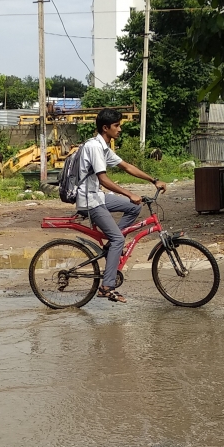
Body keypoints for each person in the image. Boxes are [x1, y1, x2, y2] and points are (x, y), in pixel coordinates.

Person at [75, 108, 167, 303]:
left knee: (133, 207)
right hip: (90, 201)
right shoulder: (94, 147)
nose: (120, 129)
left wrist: (154, 180)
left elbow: (127, 167)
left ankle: (111, 246)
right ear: (105, 127)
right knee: (118, 239)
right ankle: (106, 286)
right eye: (116, 126)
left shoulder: (104, 147)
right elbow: (103, 178)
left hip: (97, 196)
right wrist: (128, 193)